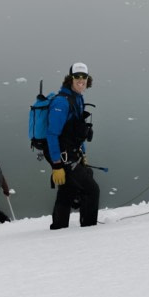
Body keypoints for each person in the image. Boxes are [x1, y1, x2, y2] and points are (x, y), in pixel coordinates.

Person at [47, 62, 100, 230]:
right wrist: (56, 165)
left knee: (67, 190)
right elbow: (52, 134)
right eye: (77, 77)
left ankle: (59, 227)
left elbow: (75, 131)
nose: (81, 80)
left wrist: (82, 153)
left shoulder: (77, 98)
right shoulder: (61, 103)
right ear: (70, 79)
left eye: (84, 77)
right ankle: (89, 228)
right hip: (62, 156)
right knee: (92, 190)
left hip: (71, 153)